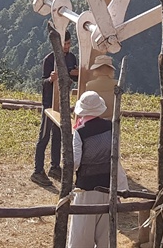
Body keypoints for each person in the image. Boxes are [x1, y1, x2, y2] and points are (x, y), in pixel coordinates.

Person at [68, 90, 128, 248]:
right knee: (105, 239)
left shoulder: (80, 132)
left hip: (86, 191)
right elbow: (116, 159)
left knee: (81, 238)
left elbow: (74, 162)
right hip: (108, 189)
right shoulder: (111, 127)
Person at [32, 26, 78, 187]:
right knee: (44, 137)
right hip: (49, 103)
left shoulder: (71, 57)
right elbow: (43, 83)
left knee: (58, 136)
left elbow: (74, 76)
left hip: (63, 103)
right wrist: (51, 80)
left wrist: (76, 74)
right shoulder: (49, 59)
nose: (67, 47)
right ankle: (37, 171)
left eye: (69, 43)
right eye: (64, 44)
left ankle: (54, 167)